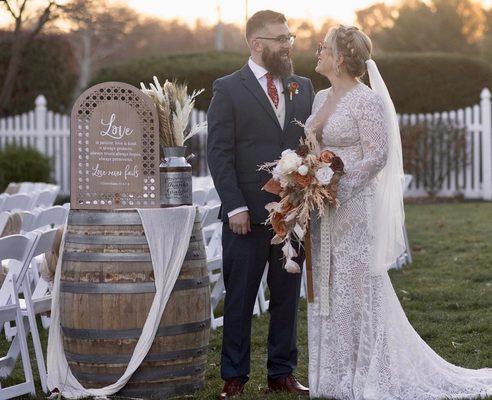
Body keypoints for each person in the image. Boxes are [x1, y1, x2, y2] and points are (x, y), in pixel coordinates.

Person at [306, 24, 492, 399]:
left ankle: (363, 373)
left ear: (341, 57)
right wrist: (308, 178)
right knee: (327, 286)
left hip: (355, 206)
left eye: (322, 47)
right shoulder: (319, 97)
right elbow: (313, 148)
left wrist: (338, 184)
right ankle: (332, 374)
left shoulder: (366, 100)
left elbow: (377, 155)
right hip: (323, 211)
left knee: (355, 288)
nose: (317, 52)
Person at [207, 9, 314, 400]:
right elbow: (218, 153)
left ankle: (281, 373)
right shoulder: (228, 88)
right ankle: (234, 377)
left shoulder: (303, 86)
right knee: (239, 297)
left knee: (287, 297)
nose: (288, 44)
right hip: (246, 217)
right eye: (281, 38)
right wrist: (233, 206)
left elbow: (308, 147)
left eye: (290, 37)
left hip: (292, 213)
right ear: (257, 44)